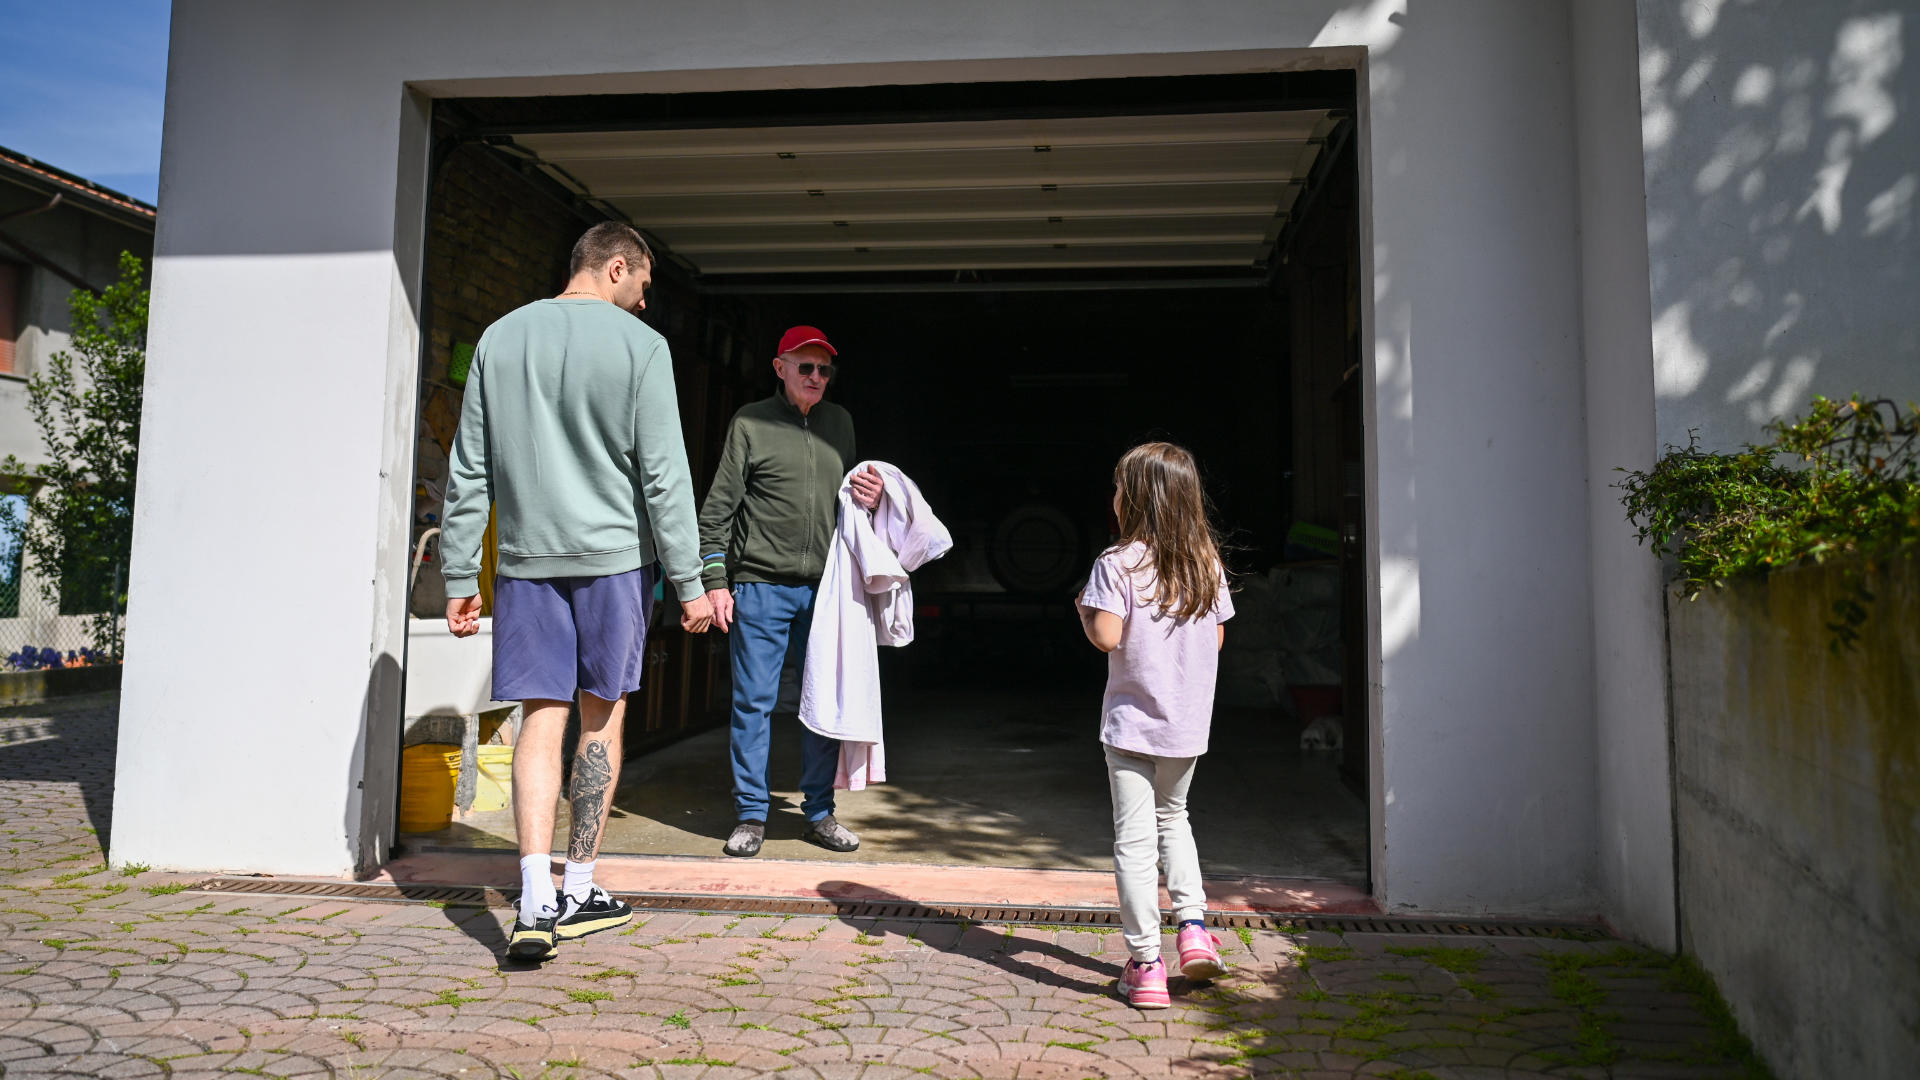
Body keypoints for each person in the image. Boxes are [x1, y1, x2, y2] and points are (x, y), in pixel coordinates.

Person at [442, 221, 714, 963]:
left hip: (527, 563)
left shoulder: (501, 337)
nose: (645, 304)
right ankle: (580, 885)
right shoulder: (641, 350)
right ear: (615, 266)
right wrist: (691, 583)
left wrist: (460, 574)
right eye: (644, 288)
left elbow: (471, 468)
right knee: (602, 715)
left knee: (540, 717)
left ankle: (533, 898)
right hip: (613, 564)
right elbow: (664, 473)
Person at [698, 325, 883, 858]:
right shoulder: (751, 422)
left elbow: (850, 507)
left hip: (826, 591)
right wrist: (715, 582)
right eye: (806, 367)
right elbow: (717, 511)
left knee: (824, 701)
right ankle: (752, 815)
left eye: (825, 369)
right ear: (780, 368)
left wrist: (871, 496)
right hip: (759, 586)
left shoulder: (840, 423)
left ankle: (819, 813)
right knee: (752, 704)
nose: (817, 377)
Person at [1074, 442, 1235, 1009]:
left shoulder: (1115, 565)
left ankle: (1146, 965)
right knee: (1177, 818)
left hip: (1132, 730)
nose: (1112, 497)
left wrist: (1086, 611)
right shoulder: (1205, 562)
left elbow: (1109, 637)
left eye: (1119, 487)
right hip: (1186, 729)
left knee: (1135, 844)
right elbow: (1215, 639)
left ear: (1136, 500)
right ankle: (1193, 928)